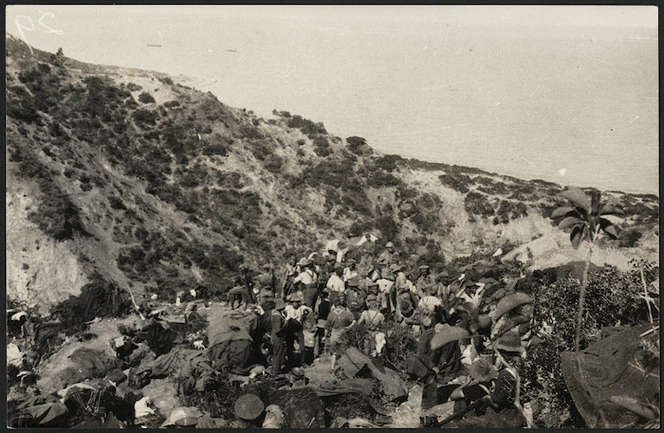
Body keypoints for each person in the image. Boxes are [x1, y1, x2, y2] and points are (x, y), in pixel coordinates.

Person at [281, 293, 312, 368]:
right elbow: (282, 312)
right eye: (295, 302)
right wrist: (285, 317)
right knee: (289, 347)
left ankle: (303, 362)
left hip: (298, 329)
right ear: (292, 302)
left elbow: (310, 310)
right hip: (290, 329)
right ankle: (291, 362)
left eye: (298, 301)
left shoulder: (302, 308)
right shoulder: (288, 308)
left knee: (302, 347)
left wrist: (305, 316)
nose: (296, 303)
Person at [270, 299, 287, 375]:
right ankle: (275, 372)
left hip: (274, 336)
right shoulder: (278, 317)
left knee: (275, 354)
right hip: (278, 337)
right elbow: (278, 330)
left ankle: (274, 370)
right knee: (278, 354)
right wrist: (285, 324)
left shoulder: (274, 314)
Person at [313, 291, 331, 357]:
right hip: (326, 321)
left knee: (317, 337)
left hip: (320, 321)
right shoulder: (329, 303)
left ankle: (316, 353)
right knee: (326, 337)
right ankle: (326, 352)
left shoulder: (319, 302)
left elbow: (316, 311)